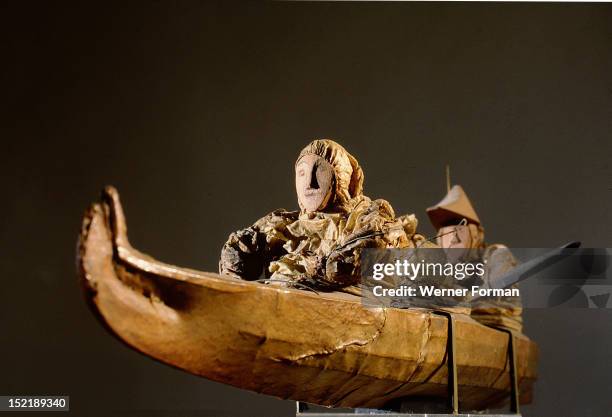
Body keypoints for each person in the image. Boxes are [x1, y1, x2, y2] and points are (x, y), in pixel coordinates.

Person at [219, 139, 427, 290]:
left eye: (320, 172)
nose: (310, 183)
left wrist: (315, 268)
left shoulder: (367, 220)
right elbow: (240, 248)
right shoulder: (285, 226)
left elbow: (371, 250)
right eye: (302, 173)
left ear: (341, 179)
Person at [427, 184, 523, 332]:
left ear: (476, 234)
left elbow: (497, 292)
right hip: (460, 327)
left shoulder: (496, 254)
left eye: (459, 229)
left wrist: (454, 298)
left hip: (496, 327)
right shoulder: (445, 269)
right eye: (446, 232)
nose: (452, 238)